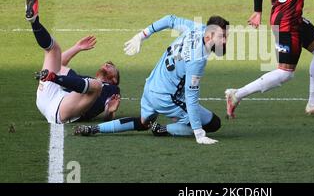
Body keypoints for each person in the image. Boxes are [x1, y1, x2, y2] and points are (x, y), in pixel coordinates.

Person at [74, 14, 229, 145]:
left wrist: (141, 36)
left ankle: (95, 129)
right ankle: (163, 129)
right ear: (209, 36)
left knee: (143, 123)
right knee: (213, 123)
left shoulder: (197, 28)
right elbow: (191, 97)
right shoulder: (197, 60)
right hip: (167, 98)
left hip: (150, 87)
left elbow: (170, 19)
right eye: (222, 37)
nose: (225, 42)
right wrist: (198, 132)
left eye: (226, 36)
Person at [25, 0, 121, 124]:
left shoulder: (113, 89)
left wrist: (110, 111)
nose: (106, 64)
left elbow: (107, 115)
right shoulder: (79, 78)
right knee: (54, 50)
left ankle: (54, 78)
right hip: (49, 97)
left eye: (111, 66)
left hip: (61, 111)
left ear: (114, 79)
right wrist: (77, 48)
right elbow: (59, 63)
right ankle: (34, 21)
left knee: (96, 86)